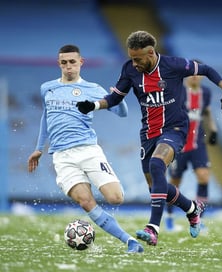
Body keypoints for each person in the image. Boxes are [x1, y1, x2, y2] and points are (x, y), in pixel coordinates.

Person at [76, 30, 222, 246]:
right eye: (131, 58)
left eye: (138, 58)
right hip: (148, 134)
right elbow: (114, 98)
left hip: (175, 129)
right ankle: (192, 208)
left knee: (157, 164)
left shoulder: (174, 65)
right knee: (156, 188)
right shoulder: (129, 69)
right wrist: (93, 106)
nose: (134, 63)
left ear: (151, 53)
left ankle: (152, 228)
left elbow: (205, 69)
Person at [27, 45, 144, 253]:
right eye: (64, 63)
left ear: (81, 62)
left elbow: (121, 113)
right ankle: (129, 242)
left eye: (72, 62)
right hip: (62, 157)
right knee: (85, 201)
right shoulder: (47, 88)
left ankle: (125, 237)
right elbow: (46, 117)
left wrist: (118, 97)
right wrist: (39, 148)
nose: (68, 66)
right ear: (59, 64)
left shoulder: (94, 89)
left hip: (89, 151)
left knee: (116, 198)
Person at [165, 70, 218, 231]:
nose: (195, 76)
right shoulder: (178, 90)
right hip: (179, 143)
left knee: (203, 176)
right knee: (175, 182)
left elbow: (207, 112)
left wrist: (213, 130)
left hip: (197, 144)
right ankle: (169, 217)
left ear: (202, 76)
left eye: (198, 74)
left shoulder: (206, 93)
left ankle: (198, 220)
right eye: (192, 74)